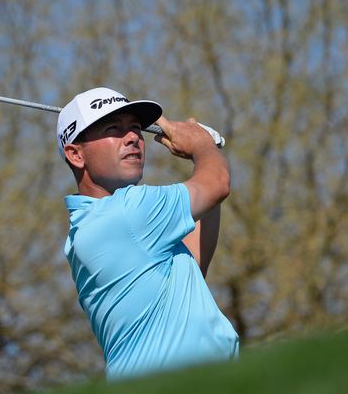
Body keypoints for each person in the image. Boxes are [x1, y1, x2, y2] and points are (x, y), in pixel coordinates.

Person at [56, 87, 238, 380]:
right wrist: (202, 146)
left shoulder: (102, 225)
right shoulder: (125, 213)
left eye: (135, 128)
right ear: (76, 155)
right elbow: (217, 184)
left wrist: (207, 151)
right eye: (114, 129)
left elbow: (193, 263)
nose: (132, 138)